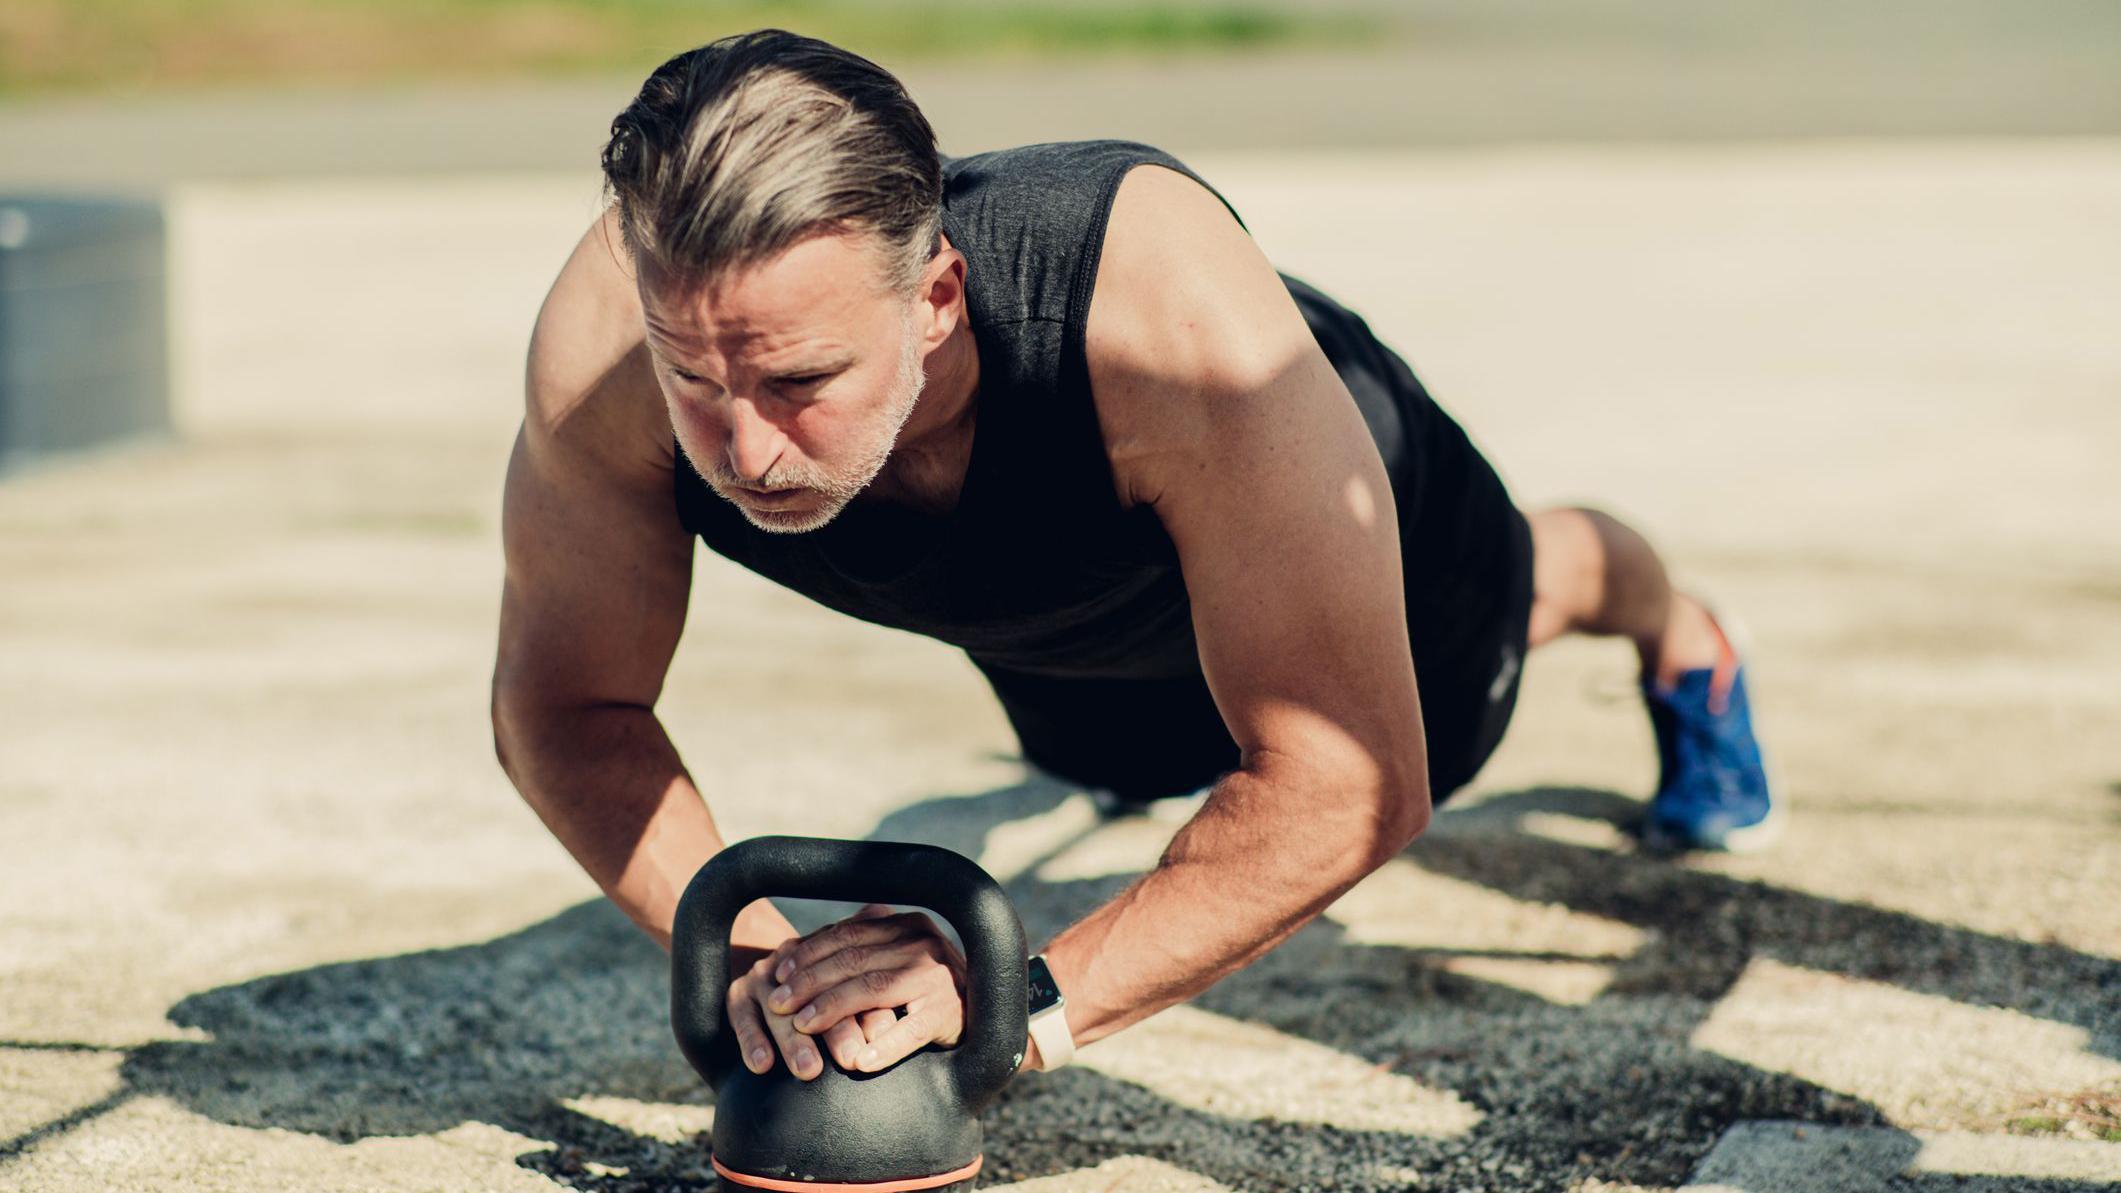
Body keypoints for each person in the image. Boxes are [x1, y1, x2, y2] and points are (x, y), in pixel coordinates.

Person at [490, 29, 1778, 1090]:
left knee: (1539, 583)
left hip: (1337, 502)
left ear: (936, 301)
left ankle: (1683, 639)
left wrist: (1016, 1005)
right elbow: (564, 707)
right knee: (1125, 762)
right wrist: (770, 969)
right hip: (1054, 615)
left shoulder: (1168, 321)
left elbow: (1344, 791)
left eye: (799, 381)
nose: (744, 450)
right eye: (695, 380)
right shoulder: (613, 351)